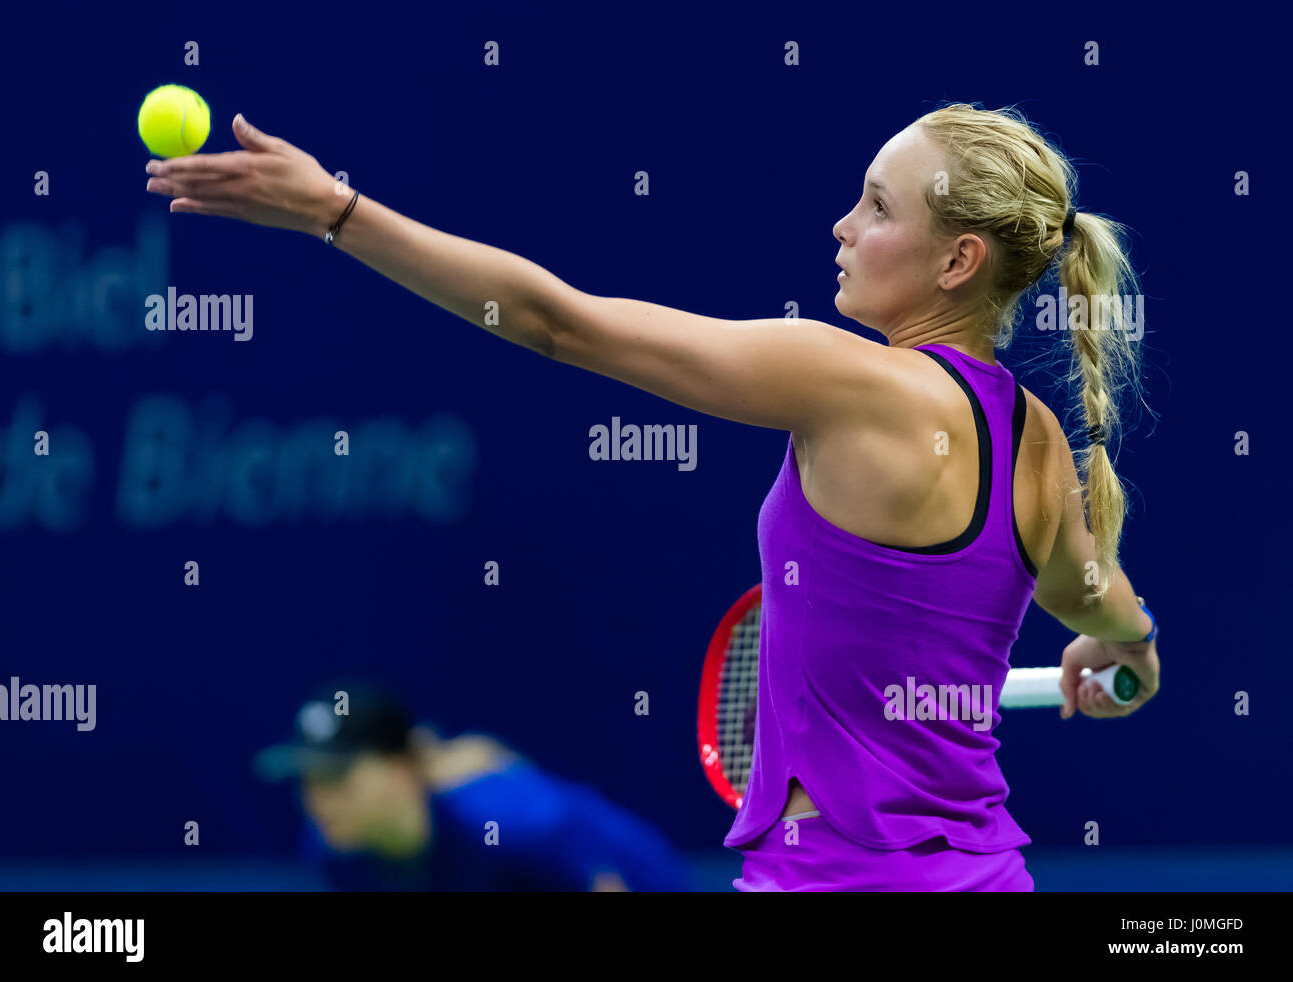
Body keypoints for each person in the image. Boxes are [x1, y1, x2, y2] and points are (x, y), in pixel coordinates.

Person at [148, 100, 1161, 891]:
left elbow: (557, 324)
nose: (843, 224)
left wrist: (336, 211)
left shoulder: (849, 380)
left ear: (957, 260)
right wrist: (1126, 652)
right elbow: (1093, 599)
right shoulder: (1031, 433)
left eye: (878, 206)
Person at [254, 684, 690, 891]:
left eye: (338, 777)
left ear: (401, 769)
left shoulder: (517, 827)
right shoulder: (332, 847)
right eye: (307, 781)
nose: (317, 800)